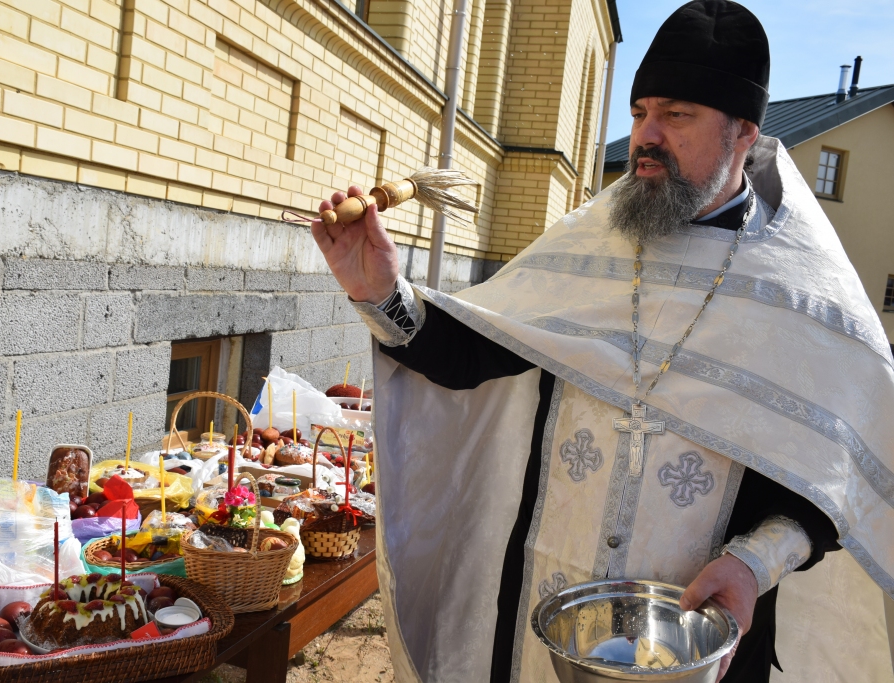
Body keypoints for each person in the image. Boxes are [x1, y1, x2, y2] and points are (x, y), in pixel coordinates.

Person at [311, 2, 894, 682]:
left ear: (744, 132)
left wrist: (752, 563)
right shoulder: (589, 244)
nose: (645, 136)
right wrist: (380, 289)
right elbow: (475, 355)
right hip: (545, 610)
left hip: (698, 632)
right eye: (640, 111)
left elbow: (834, 475)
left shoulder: (804, 295)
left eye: (676, 116)